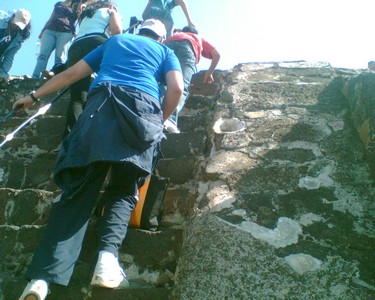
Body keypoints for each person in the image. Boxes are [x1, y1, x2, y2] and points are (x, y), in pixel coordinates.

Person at [14, 19, 183, 300]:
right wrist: (158, 121)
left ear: (139, 31)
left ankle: (41, 280)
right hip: (142, 113)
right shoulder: (166, 52)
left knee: (78, 191)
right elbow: (175, 89)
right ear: (162, 38)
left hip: (100, 109)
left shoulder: (115, 41)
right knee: (123, 190)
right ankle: (106, 260)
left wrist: (33, 96)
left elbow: (71, 74)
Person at [62, 0, 123, 137]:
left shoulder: (85, 14)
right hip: (97, 42)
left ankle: (69, 139)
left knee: (77, 96)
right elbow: (117, 32)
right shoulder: (110, 10)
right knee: (105, 89)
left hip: (76, 47)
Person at [163, 26, 220, 132]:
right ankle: (168, 119)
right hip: (187, 47)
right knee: (182, 84)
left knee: (163, 83)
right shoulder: (197, 37)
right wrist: (209, 72)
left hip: (166, 47)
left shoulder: (175, 35)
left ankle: (153, 115)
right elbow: (216, 54)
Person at [32, 0, 78, 79]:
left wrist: (76, 33)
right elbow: (51, 18)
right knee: (43, 55)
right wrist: (43, 31)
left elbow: (79, 19)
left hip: (66, 32)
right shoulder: (59, 3)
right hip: (50, 30)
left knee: (59, 57)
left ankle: (57, 78)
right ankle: (36, 76)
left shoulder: (77, 5)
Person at [0, 9, 31, 81]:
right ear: (13, 16)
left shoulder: (17, 41)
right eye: (16, 22)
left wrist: (2, 74)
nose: (16, 26)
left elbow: (9, 58)